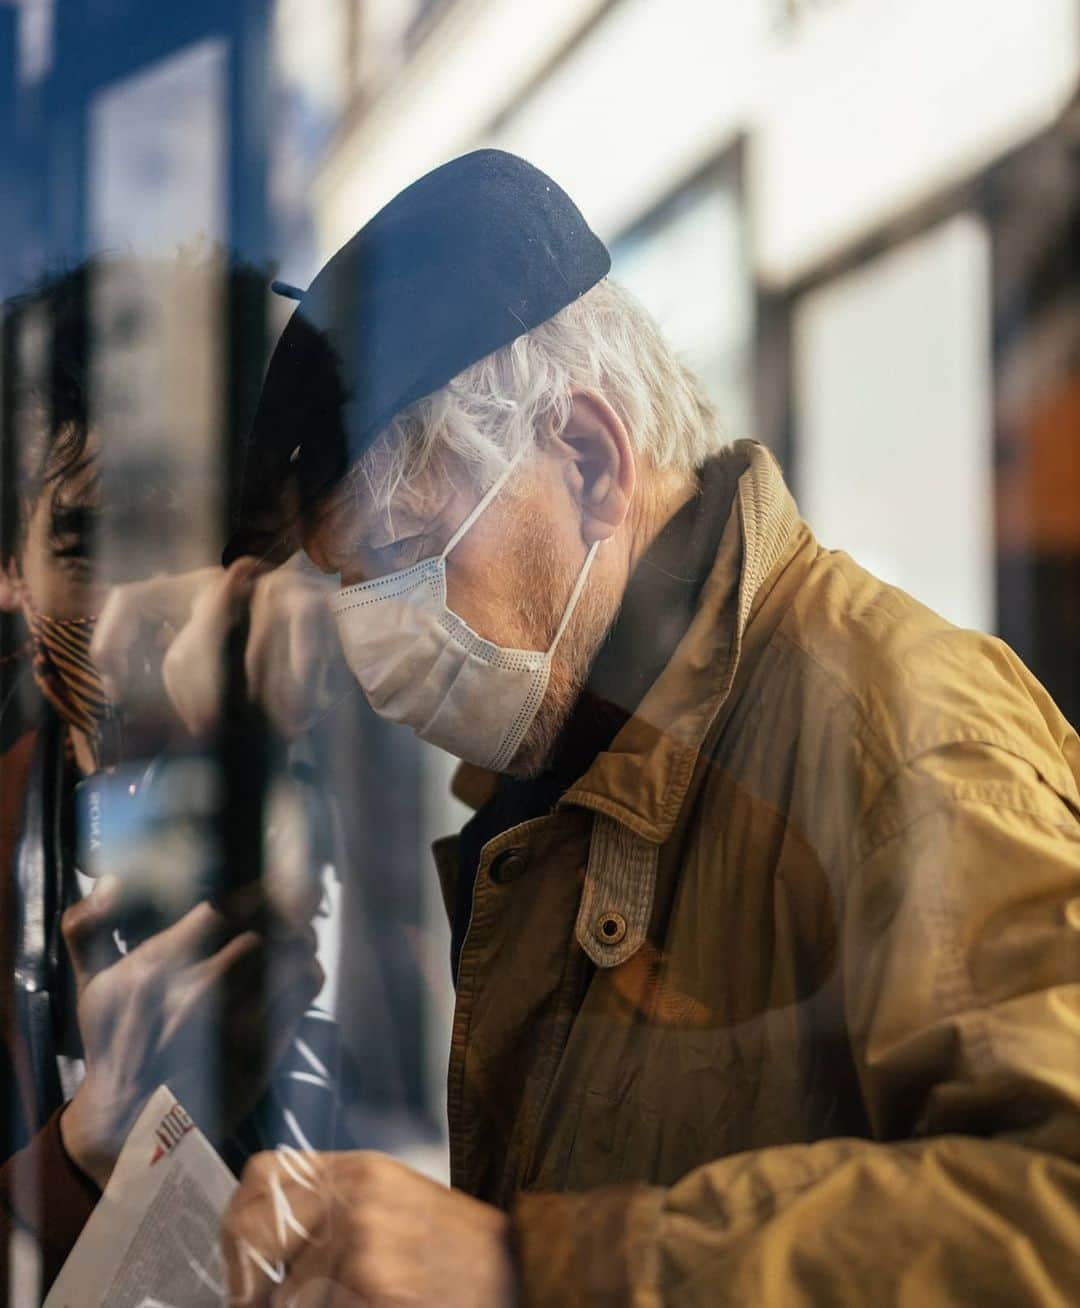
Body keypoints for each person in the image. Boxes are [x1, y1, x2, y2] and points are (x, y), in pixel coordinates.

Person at [104, 151, 1080, 1305]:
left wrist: (531, 1266)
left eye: (410, 559)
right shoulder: (578, 762)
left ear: (588, 458)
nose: (375, 651)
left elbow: (1054, 1203)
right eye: (349, 590)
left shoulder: (898, 732)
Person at [0, 259, 334, 1300]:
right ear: (8, 567)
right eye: (92, 542)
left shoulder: (438, 803)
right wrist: (87, 1150)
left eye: (212, 532)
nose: (155, 603)